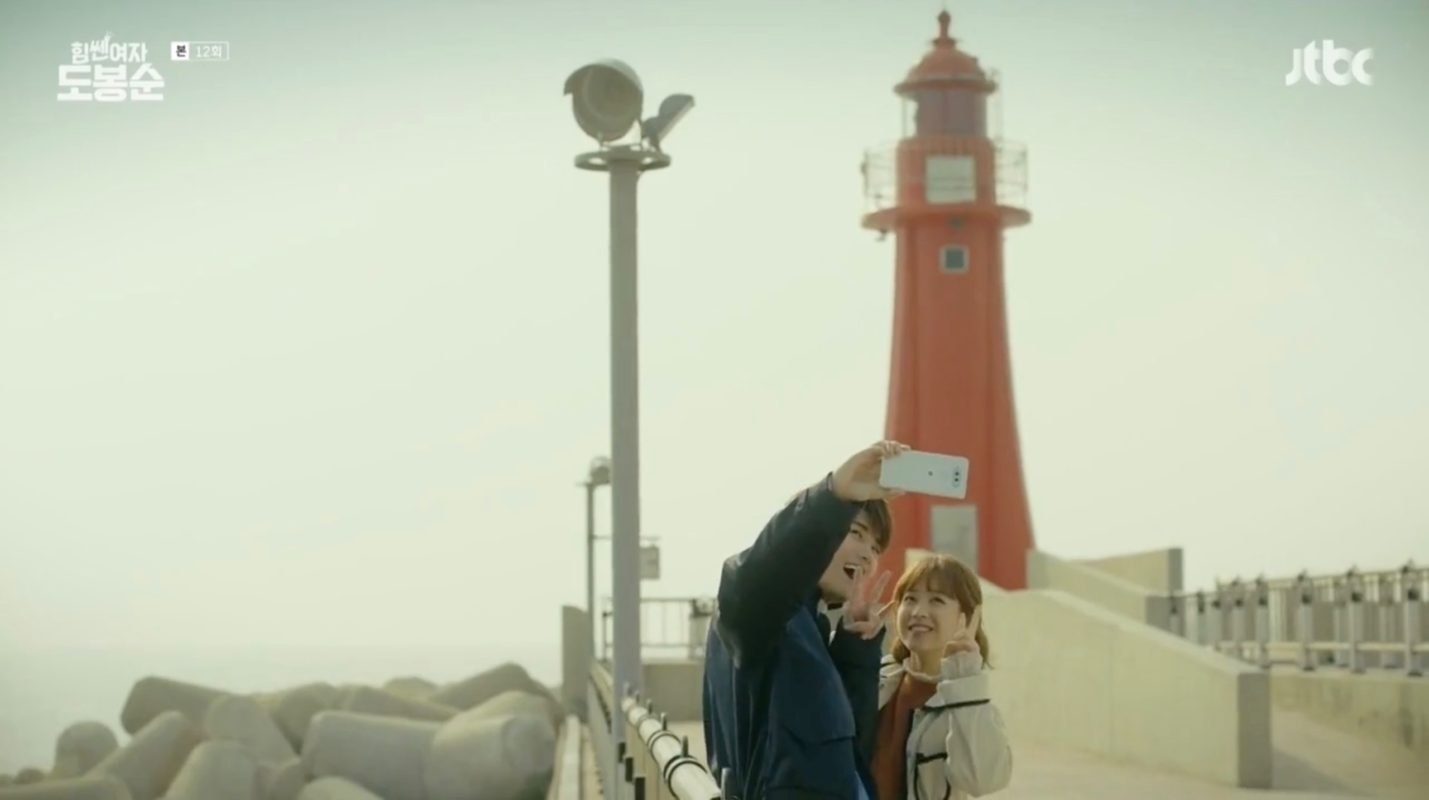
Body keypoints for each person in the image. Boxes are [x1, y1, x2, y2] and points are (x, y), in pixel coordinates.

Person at [702, 441, 909, 800]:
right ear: (813, 536)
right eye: (856, 533)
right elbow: (760, 575)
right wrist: (834, 495)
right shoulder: (763, 613)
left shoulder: (808, 629)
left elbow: (845, 755)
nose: (867, 555)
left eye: (876, 548)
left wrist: (855, 647)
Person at [870, 555, 1012, 799]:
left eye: (936, 600)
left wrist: (965, 681)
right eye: (910, 599)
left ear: (967, 617)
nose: (918, 612)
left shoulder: (969, 701)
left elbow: (982, 781)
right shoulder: (877, 679)